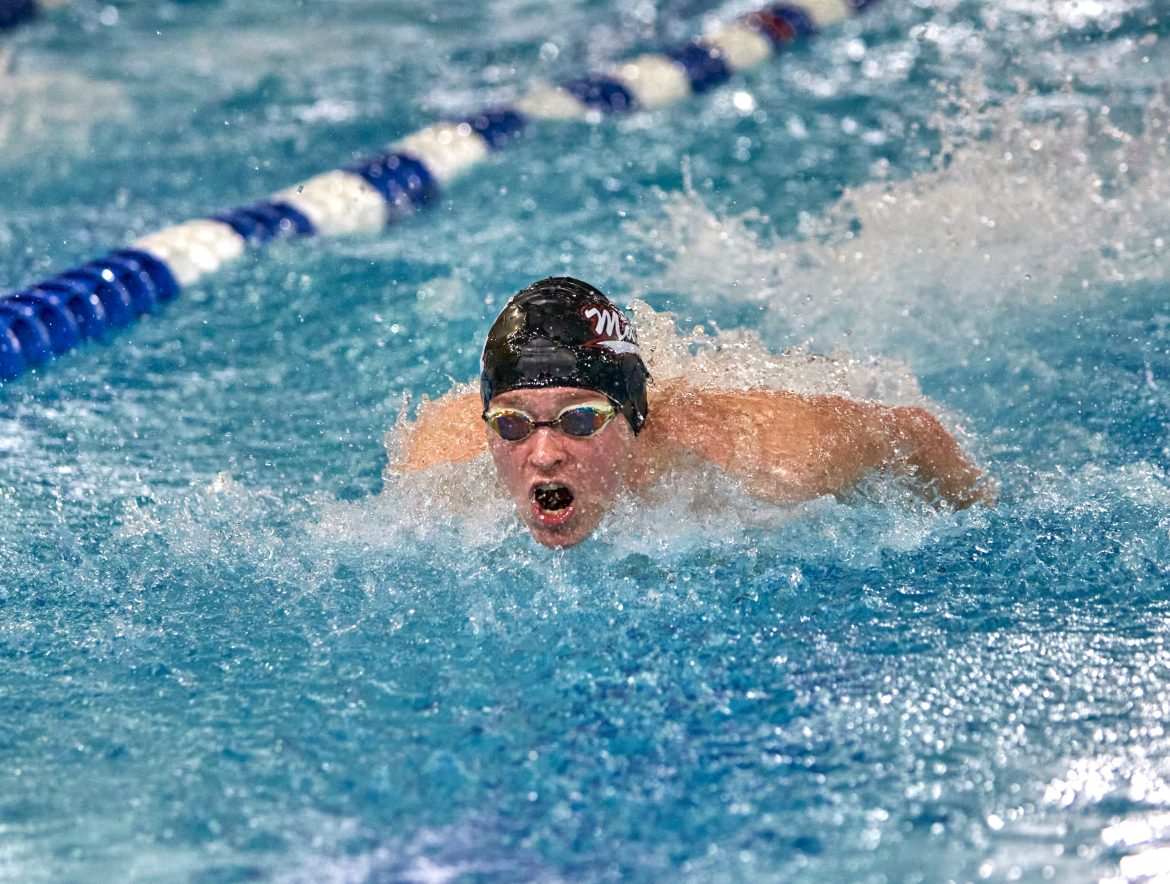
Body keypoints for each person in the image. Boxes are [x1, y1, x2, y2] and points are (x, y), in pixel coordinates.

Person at [393, 277, 993, 548]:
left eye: (580, 420)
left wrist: (982, 528)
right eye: (513, 425)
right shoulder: (436, 464)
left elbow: (918, 434)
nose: (543, 453)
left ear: (634, 417)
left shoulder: (776, 459)